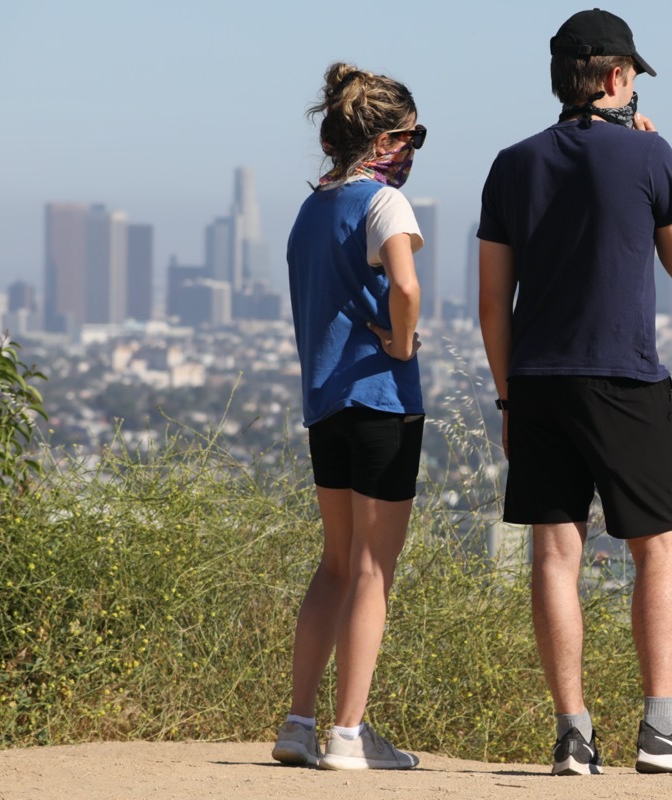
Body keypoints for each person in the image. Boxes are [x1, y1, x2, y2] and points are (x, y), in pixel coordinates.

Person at [477, 9, 672, 776]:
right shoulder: (648, 153)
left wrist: (506, 400)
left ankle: (573, 736)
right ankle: (661, 730)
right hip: (623, 376)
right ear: (620, 77)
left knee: (554, 553)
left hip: (534, 382)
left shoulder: (511, 163)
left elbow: (495, 301)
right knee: (656, 548)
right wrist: (650, 157)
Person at [272, 61, 427, 772]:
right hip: (383, 403)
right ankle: (349, 734)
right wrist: (400, 340)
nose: (414, 150)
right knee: (372, 571)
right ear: (386, 136)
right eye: (413, 136)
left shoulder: (310, 211)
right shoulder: (383, 204)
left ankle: (298, 724)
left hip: (325, 407)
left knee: (335, 564)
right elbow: (406, 284)